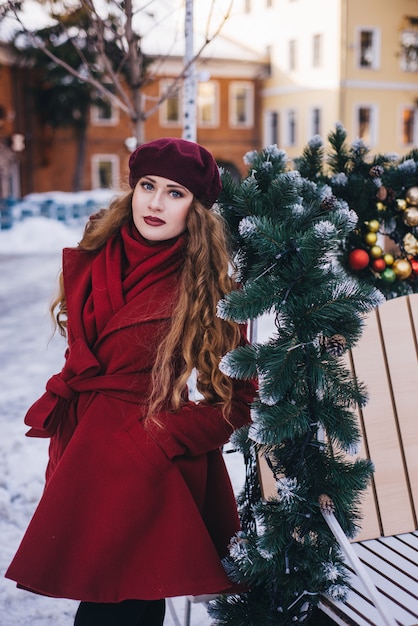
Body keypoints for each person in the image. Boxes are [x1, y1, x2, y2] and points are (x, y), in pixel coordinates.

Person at [5, 137, 256, 626]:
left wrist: (163, 437)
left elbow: (238, 399)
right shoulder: (98, 252)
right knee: (109, 603)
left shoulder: (205, 283)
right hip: (86, 447)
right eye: (147, 186)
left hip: (147, 467)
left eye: (175, 192)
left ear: (196, 209)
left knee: (122, 606)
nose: (156, 203)